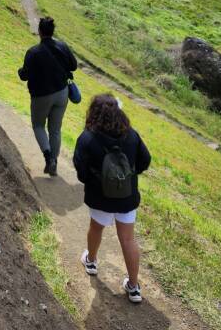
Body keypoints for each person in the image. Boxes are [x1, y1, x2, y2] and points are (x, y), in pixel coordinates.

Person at [73, 94, 151, 304]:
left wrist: (95, 181)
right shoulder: (131, 135)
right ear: (118, 112)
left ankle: (91, 261)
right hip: (127, 197)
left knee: (96, 228)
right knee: (128, 239)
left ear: (93, 113)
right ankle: (134, 288)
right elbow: (145, 161)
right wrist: (128, 177)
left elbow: (80, 170)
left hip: (100, 197)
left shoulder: (88, 138)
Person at [18, 16, 77, 176]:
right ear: (52, 31)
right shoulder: (62, 46)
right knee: (55, 130)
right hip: (62, 93)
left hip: (41, 96)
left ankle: (48, 157)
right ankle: (55, 162)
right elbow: (74, 65)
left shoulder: (33, 52)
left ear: (39, 32)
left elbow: (25, 75)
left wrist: (20, 71)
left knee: (38, 126)